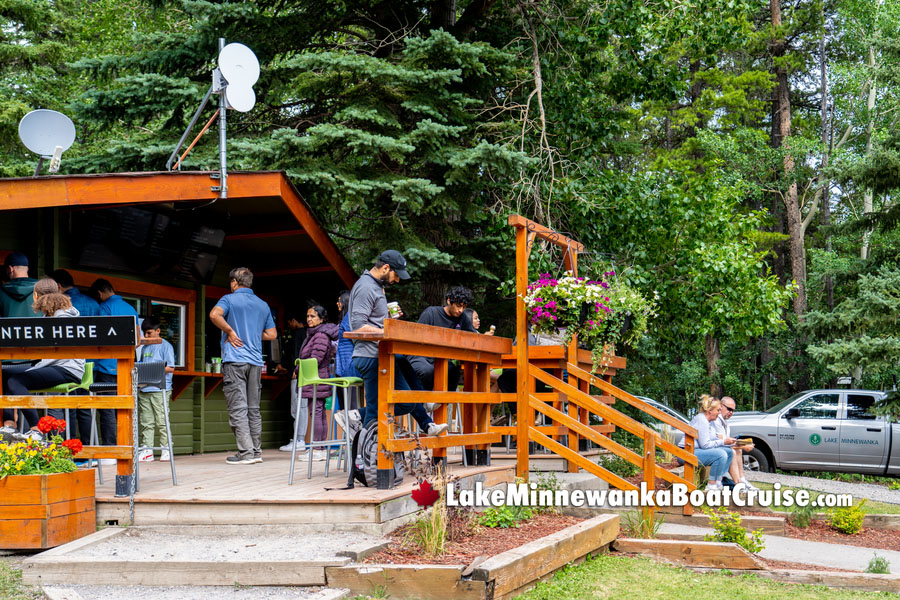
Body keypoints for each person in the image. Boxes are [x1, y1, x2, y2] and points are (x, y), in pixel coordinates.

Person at [348, 250, 447, 435]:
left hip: (383, 354)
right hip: (370, 356)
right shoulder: (366, 287)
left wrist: (389, 317)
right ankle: (363, 460)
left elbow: (372, 320)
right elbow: (358, 326)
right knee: (374, 412)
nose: (398, 280)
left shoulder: (376, 286)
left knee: (406, 401)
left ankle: (358, 418)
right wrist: (389, 331)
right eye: (396, 275)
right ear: (386, 267)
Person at [209, 267, 277, 465]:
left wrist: (230, 331)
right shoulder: (262, 304)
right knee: (253, 409)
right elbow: (272, 334)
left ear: (234, 283)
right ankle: (256, 452)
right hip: (256, 362)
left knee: (238, 409)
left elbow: (214, 315)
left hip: (235, 360)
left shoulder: (229, 299)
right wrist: (254, 335)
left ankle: (246, 454)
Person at [1, 285, 84, 434]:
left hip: (67, 368)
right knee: (4, 373)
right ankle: (9, 424)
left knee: (16, 381)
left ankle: (36, 429)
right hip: (52, 364)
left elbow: (57, 349)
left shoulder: (63, 317)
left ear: (38, 296)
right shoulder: (49, 316)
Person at [51, 269, 100, 445]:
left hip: (68, 363)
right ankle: (89, 452)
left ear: (58, 286)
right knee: (86, 407)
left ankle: (69, 450)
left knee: (69, 407)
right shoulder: (93, 304)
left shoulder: (61, 305)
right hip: (90, 364)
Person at [91, 278, 139, 456]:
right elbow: (138, 340)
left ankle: (111, 450)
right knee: (125, 407)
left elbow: (100, 338)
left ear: (99, 294)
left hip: (107, 366)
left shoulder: (104, 308)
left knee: (108, 409)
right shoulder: (131, 308)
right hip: (127, 365)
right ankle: (127, 446)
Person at [408, 286, 475, 392]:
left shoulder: (462, 318)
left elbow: (473, 337)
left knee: (453, 371)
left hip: (442, 358)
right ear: (449, 301)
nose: (460, 310)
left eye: (464, 307)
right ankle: (423, 402)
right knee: (427, 371)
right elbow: (416, 337)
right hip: (421, 355)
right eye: (458, 306)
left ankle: (442, 404)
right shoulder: (431, 313)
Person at [298, 304, 339, 460]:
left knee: (316, 412)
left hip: (316, 378)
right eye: (308, 316)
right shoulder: (315, 333)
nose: (309, 319)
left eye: (313, 316)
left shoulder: (320, 335)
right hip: (316, 378)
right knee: (318, 412)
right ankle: (319, 448)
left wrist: (298, 369)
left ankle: (317, 449)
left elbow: (316, 358)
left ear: (322, 319)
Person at [137, 317, 175, 462]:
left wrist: (150, 370)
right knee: (146, 421)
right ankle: (147, 450)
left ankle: (166, 449)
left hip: (160, 388)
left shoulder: (166, 346)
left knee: (162, 420)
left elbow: (170, 367)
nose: (146, 337)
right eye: (144, 333)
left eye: (149, 333)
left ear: (158, 331)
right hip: (144, 388)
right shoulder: (145, 347)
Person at [680, 394, 735, 490]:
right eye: (718, 410)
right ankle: (711, 486)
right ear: (710, 411)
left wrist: (725, 442)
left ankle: (719, 481)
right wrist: (723, 442)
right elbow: (705, 445)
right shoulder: (702, 420)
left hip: (697, 450)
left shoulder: (710, 421)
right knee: (721, 454)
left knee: (729, 452)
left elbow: (713, 440)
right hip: (685, 452)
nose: (719, 413)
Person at [278, 309, 309, 452]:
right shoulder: (309, 334)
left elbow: (297, 354)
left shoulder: (298, 334)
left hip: (298, 375)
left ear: (295, 320)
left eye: (290, 322)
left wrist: (295, 369)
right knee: (301, 407)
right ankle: (299, 438)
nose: (289, 325)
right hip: (305, 373)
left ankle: (299, 439)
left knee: (298, 407)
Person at [716, 396, 757, 490]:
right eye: (729, 409)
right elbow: (722, 443)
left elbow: (725, 441)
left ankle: (742, 479)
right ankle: (738, 483)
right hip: (709, 448)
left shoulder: (725, 423)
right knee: (733, 452)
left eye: (733, 410)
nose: (731, 412)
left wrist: (742, 445)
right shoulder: (716, 420)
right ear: (721, 406)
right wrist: (742, 446)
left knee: (738, 451)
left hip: (715, 447)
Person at [0, 252, 38, 318]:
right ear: (27, 268)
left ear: (10, 269)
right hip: (38, 327)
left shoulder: (1, 291)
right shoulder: (42, 289)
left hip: (10, 328)